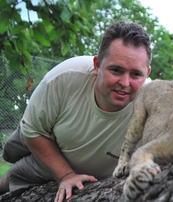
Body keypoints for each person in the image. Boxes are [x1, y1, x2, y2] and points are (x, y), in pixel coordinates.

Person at [0, 21, 152, 202]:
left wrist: (66, 174)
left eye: (135, 74)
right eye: (116, 70)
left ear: (147, 73)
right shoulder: (65, 76)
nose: (125, 83)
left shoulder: (151, 104)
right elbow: (33, 131)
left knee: (13, 176)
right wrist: (66, 175)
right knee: (15, 147)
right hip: (44, 133)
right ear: (97, 65)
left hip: (77, 162)